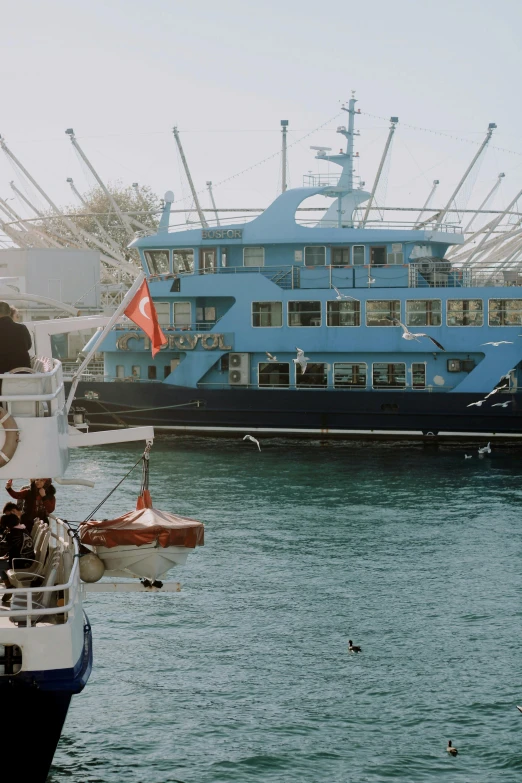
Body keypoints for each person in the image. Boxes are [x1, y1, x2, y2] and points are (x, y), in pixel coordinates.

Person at [0, 513, 35, 604]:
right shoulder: (23, 529)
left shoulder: (13, 534)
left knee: (0, 564)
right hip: (28, 560)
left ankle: (9, 587)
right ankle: (9, 586)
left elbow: (2, 549)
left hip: (20, 563)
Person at [0, 300, 32, 374]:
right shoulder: (22, 328)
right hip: (22, 374)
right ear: (9, 313)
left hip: (1, 377)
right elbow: (28, 346)